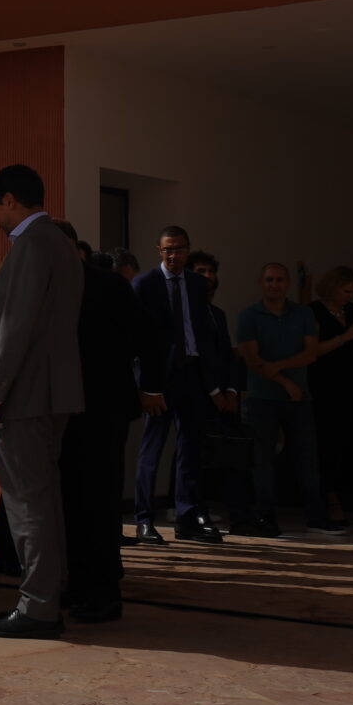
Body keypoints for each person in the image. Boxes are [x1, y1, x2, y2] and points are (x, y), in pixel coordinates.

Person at [0, 165, 82, 639]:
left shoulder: (34, 244)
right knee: (42, 498)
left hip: (24, 395)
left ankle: (38, 607)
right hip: (49, 391)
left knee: (26, 502)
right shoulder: (57, 241)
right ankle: (47, 593)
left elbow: (16, 326)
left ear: (11, 200)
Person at [57, 218, 143, 621]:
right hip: (65, 413)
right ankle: (77, 585)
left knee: (101, 504)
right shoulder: (47, 289)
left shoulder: (110, 285)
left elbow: (142, 340)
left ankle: (105, 592)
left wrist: (151, 388)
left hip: (104, 413)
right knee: (71, 502)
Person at [131, 227, 224, 544]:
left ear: (188, 250)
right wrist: (147, 386)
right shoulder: (144, 284)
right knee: (152, 450)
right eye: (168, 250)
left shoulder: (198, 285)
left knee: (191, 449)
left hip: (193, 376)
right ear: (159, 250)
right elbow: (137, 340)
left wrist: (213, 384)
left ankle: (188, 517)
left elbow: (204, 335)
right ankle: (144, 519)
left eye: (180, 249)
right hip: (159, 381)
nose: (174, 256)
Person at [234, 261, 337, 535]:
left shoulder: (302, 314)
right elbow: (254, 361)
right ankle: (265, 517)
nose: (274, 285)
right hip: (262, 398)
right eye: (269, 280)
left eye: (279, 280)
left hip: (299, 397)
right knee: (262, 459)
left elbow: (311, 353)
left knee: (307, 458)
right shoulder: (248, 316)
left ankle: (316, 518)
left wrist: (278, 368)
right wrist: (284, 381)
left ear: (287, 284)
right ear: (261, 283)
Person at [305, 267, 353, 526]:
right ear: (333, 288)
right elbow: (313, 350)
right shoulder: (313, 312)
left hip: (351, 381)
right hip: (325, 383)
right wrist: (344, 337)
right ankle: (333, 501)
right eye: (346, 291)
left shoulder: (351, 312)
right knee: (330, 442)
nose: (350, 297)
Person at [190, 251, 250, 531]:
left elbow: (226, 355)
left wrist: (231, 390)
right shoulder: (188, 313)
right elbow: (198, 356)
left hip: (223, 397)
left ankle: (237, 513)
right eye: (201, 272)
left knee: (229, 453)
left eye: (211, 272)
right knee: (196, 454)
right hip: (198, 394)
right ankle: (193, 508)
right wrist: (214, 391)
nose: (208, 278)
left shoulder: (218, 314)